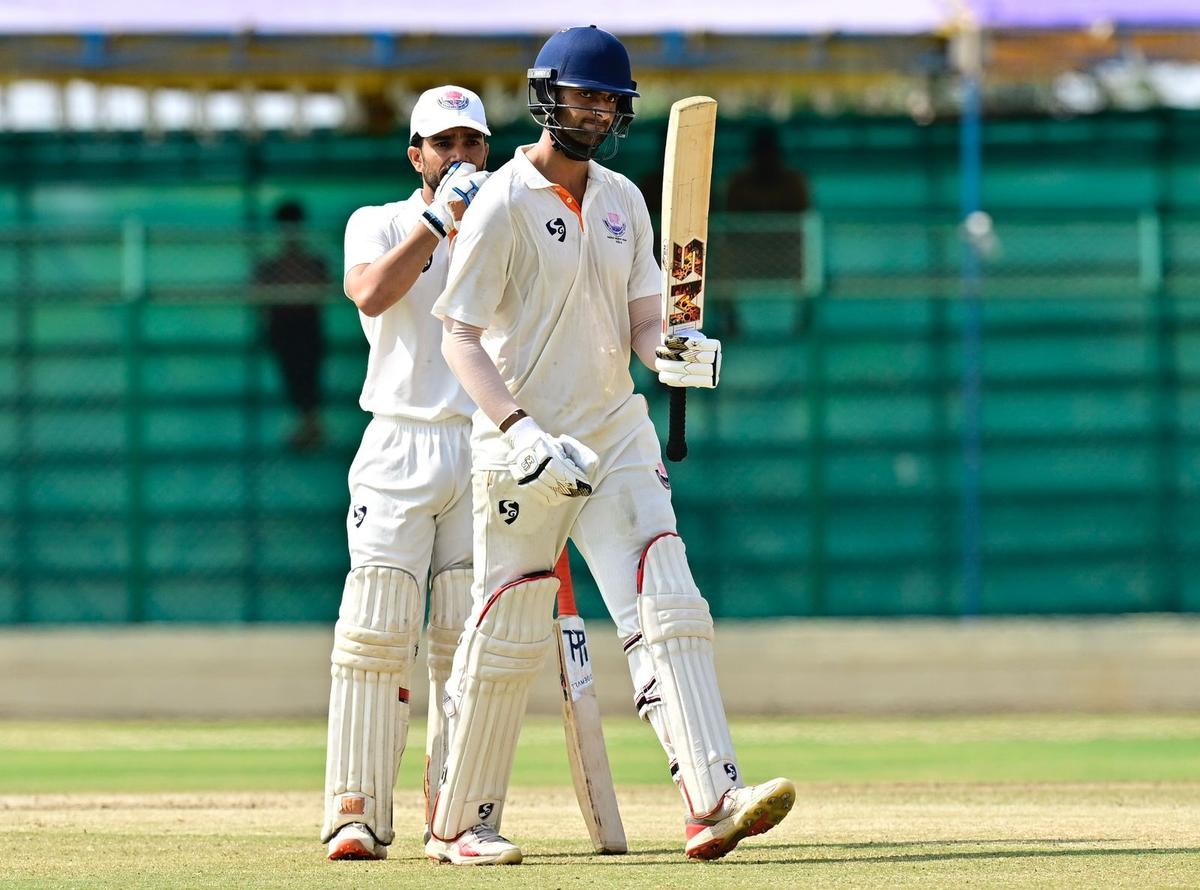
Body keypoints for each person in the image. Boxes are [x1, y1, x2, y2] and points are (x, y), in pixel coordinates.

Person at [426, 25, 795, 866]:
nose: (595, 110)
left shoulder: (626, 200)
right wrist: (518, 433)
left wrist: (674, 348)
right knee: (510, 628)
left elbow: (639, 320)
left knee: (667, 594)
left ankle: (712, 797)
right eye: (582, 94)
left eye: (608, 100)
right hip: (523, 445)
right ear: (545, 97)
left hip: (616, 428)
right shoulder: (501, 203)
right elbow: (459, 336)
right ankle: (461, 823)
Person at [321, 85, 492, 861]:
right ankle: (354, 812)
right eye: (444, 144)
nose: (459, 157)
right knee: (377, 629)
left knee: (467, 641)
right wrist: (438, 221)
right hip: (398, 441)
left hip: (483, 443)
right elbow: (370, 292)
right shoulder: (380, 221)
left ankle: (459, 818)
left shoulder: (507, 225)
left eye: (472, 144)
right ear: (416, 154)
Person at [254, 199, 330, 450]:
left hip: (306, 330)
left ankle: (309, 426)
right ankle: (307, 425)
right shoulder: (269, 267)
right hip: (284, 332)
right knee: (296, 381)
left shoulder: (313, 263)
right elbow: (260, 297)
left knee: (306, 381)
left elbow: (321, 291)